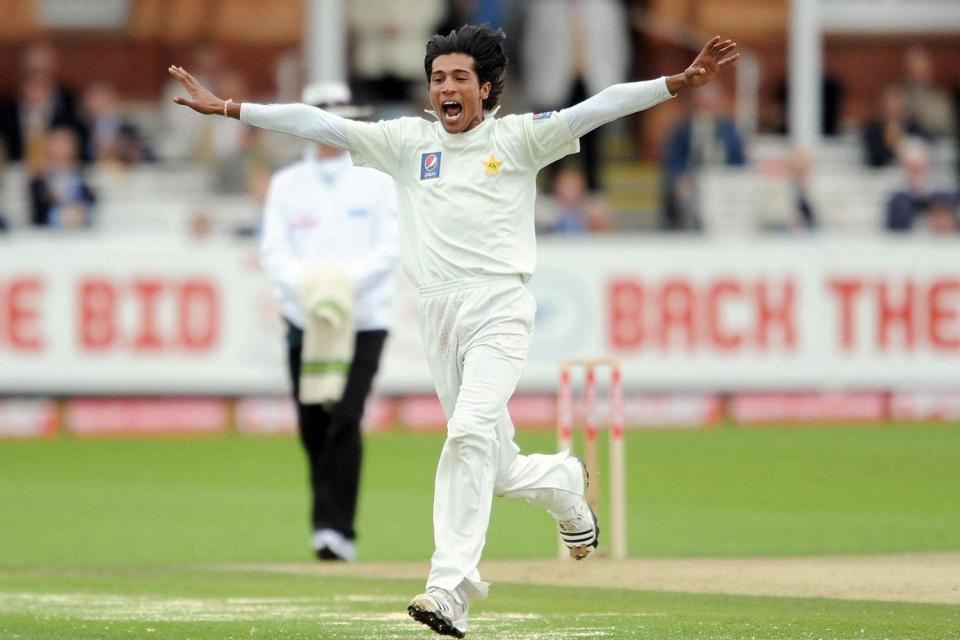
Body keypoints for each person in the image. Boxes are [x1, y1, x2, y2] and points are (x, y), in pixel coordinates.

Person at [169, 26, 738, 637]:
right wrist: (228, 108)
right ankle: (565, 483)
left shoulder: (518, 137)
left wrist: (676, 84)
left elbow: (597, 107)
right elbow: (318, 124)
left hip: (499, 308)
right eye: (438, 77)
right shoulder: (406, 142)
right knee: (493, 464)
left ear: (486, 87)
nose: (445, 87)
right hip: (438, 314)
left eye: (459, 77)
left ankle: (449, 589)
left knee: (466, 434)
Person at [259, 81, 399, 562]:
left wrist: (340, 287)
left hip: (363, 318)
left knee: (344, 417)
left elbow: (390, 247)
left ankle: (335, 531)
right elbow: (275, 252)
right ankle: (328, 524)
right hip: (306, 318)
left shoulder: (378, 178)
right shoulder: (286, 184)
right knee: (311, 424)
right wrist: (312, 292)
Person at [662, 81, 746, 230]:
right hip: (693, 182)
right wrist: (680, 178)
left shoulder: (729, 130)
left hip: (722, 183)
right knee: (685, 197)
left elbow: (738, 160)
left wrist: (730, 180)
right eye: (702, 104)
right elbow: (674, 159)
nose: (706, 109)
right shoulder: (683, 129)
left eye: (709, 104)